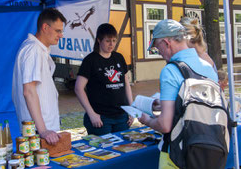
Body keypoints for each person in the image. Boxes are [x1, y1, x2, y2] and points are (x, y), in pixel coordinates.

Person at [139, 19, 218, 166]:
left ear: (166, 43)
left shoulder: (170, 71)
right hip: (209, 150)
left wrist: (147, 120)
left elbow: (165, 125)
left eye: (157, 48)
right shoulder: (208, 67)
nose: (159, 53)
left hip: (178, 155)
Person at [12, 8, 66, 145]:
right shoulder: (33, 50)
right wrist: (43, 130)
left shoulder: (37, 49)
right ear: (45, 27)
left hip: (42, 131)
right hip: (39, 133)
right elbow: (28, 91)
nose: (61, 35)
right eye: (58, 31)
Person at [75, 23, 134, 135]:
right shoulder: (90, 60)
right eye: (107, 41)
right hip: (100, 118)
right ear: (99, 40)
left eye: (114, 40)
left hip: (122, 116)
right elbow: (78, 88)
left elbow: (126, 84)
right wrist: (91, 114)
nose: (111, 44)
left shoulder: (119, 57)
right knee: (104, 151)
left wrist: (131, 110)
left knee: (124, 149)